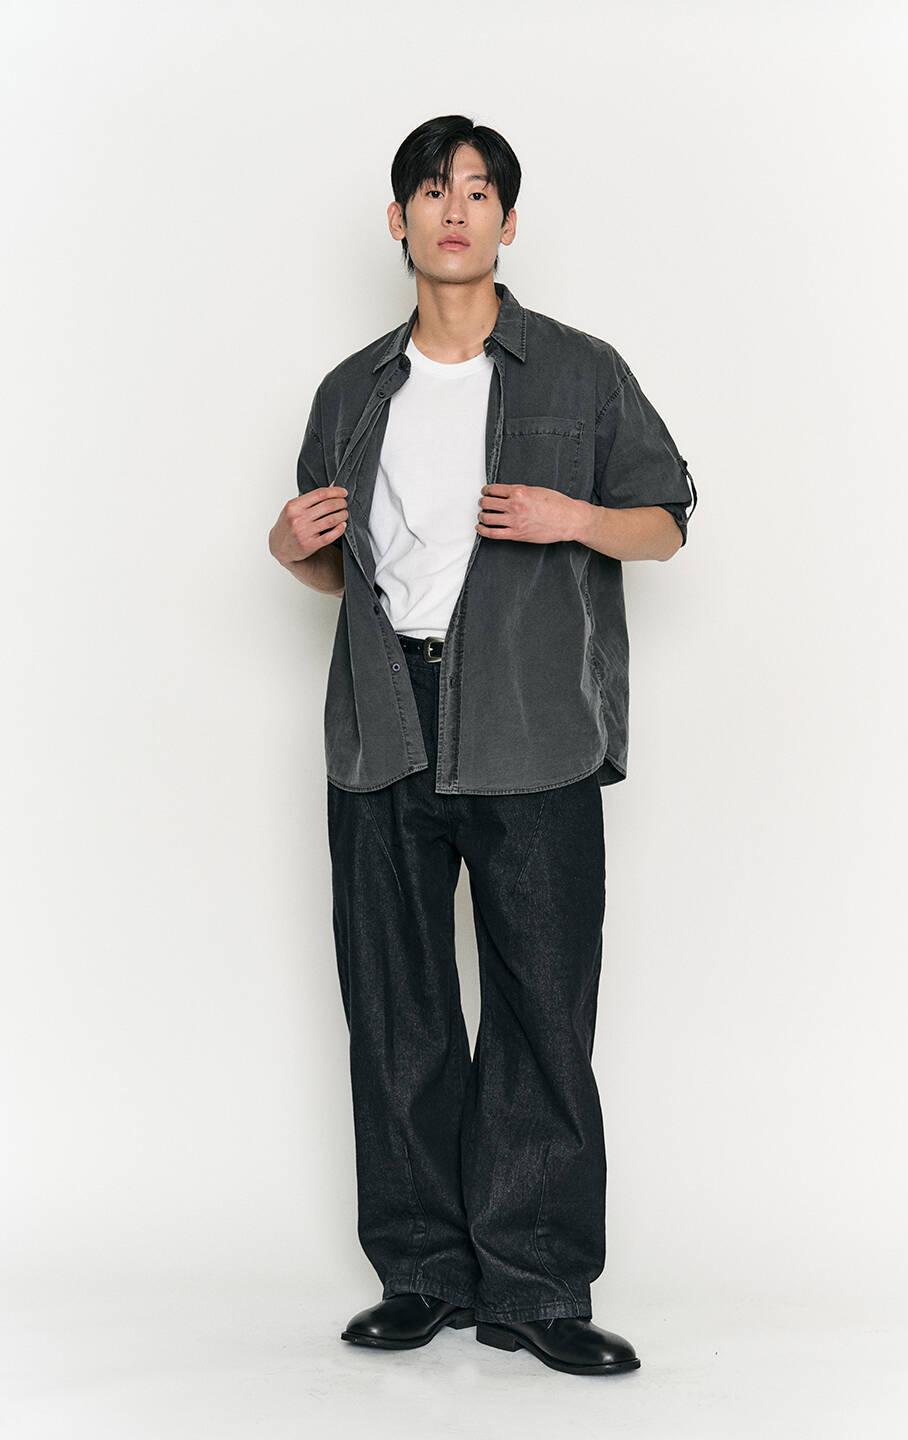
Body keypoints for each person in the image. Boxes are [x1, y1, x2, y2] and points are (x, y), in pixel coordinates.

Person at [268, 115, 697, 1378]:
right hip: (384, 722)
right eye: (430, 190)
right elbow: (338, 571)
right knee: (395, 1009)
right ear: (396, 220)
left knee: (541, 1009)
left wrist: (576, 516)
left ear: (509, 221)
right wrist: (289, 550)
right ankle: (422, 1273)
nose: (453, 211)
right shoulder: (350, 392)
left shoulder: (581, 372)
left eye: (477, 191)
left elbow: (668, 520)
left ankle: (537, 1288)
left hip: (531, 718)